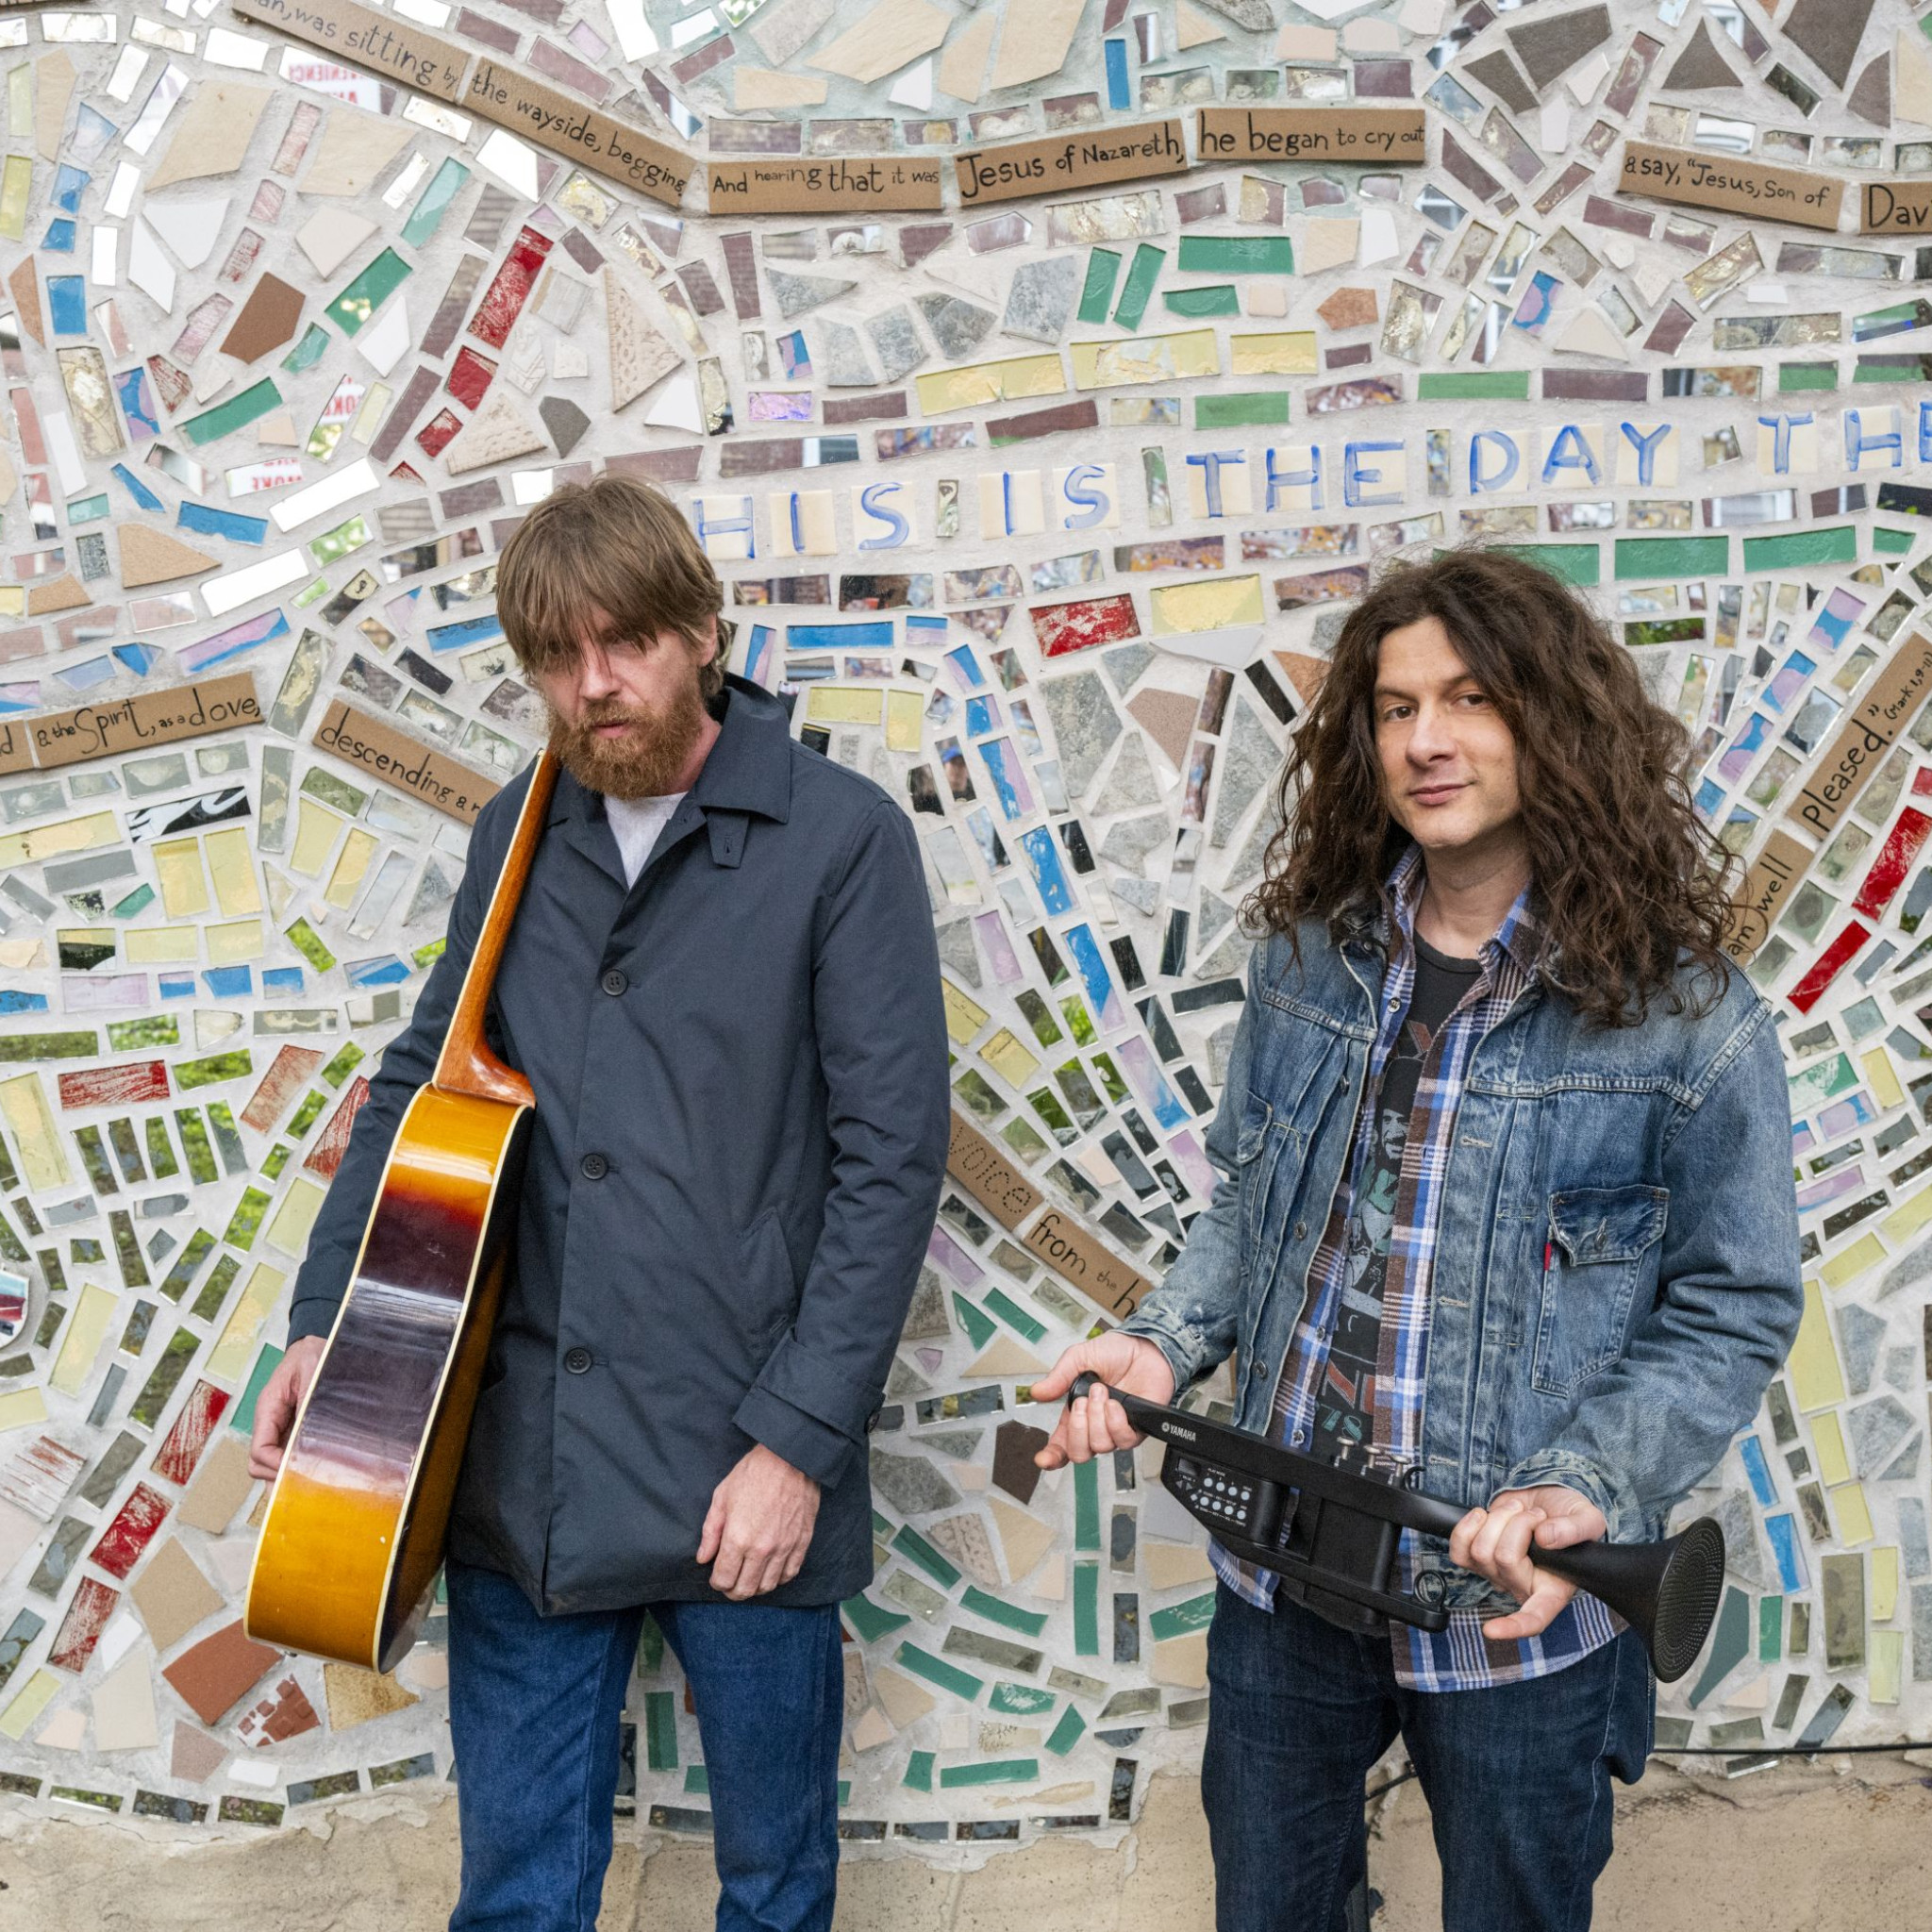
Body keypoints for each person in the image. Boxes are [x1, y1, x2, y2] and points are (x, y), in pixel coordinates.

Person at [1032, 548, 1803, 1932]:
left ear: (1551, 723)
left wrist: (1585, 1482)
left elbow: (1731, 1308)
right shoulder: (1308, 960)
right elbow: (1247, 1210)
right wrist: (1160, 1346)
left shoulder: (1690, 1024)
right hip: (1283, 1585)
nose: (1425, 741)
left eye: (1467, 700)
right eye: (1393, 709)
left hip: (1519, 1615)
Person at [249, 473, 951, 1932]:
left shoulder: (840, 839)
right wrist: (332, 1326)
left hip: (740, 1464)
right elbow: (418, 1084)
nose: (594, 685)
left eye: (624, 643)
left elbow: (893, 1163)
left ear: (701, 632)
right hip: (531, 1469)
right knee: (516, 1899)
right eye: (556, 658)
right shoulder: (518, 828)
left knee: (771, 1898)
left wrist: (798, 1446)